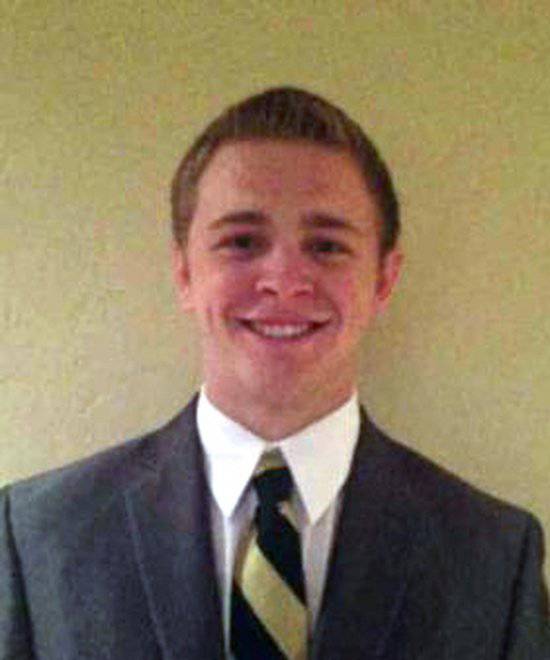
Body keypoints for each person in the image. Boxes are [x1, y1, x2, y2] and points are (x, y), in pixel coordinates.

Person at [1, 87, 548, 659]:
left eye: (327, 246)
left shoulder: (493, 560)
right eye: (241, 242)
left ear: (384, 281)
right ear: (185, 273)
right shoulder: (41, 539)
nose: (284, 281)